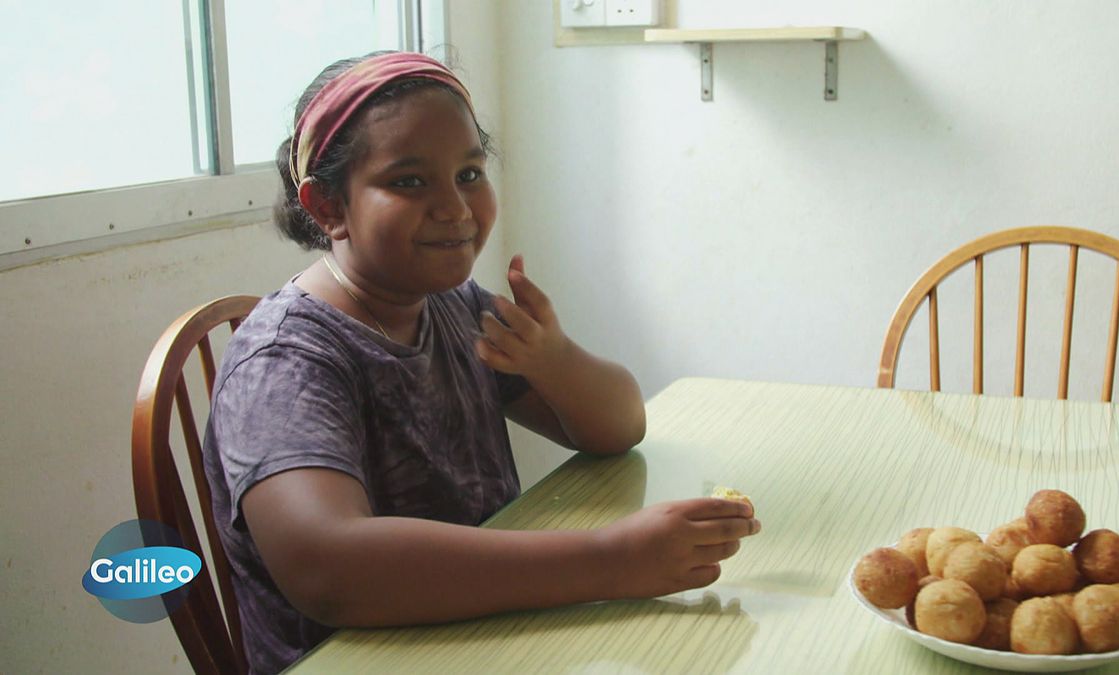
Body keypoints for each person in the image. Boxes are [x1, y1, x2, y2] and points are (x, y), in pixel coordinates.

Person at [203, 51, 760, 674]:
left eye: (470, 173)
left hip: (492, 632)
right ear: (328, 207)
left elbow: (618, 427)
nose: (456, 208)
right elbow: (327, 566)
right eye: (409, 181)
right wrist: (609, 558)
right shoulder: (288, 362)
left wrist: (554, 359)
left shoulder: (451, 307)